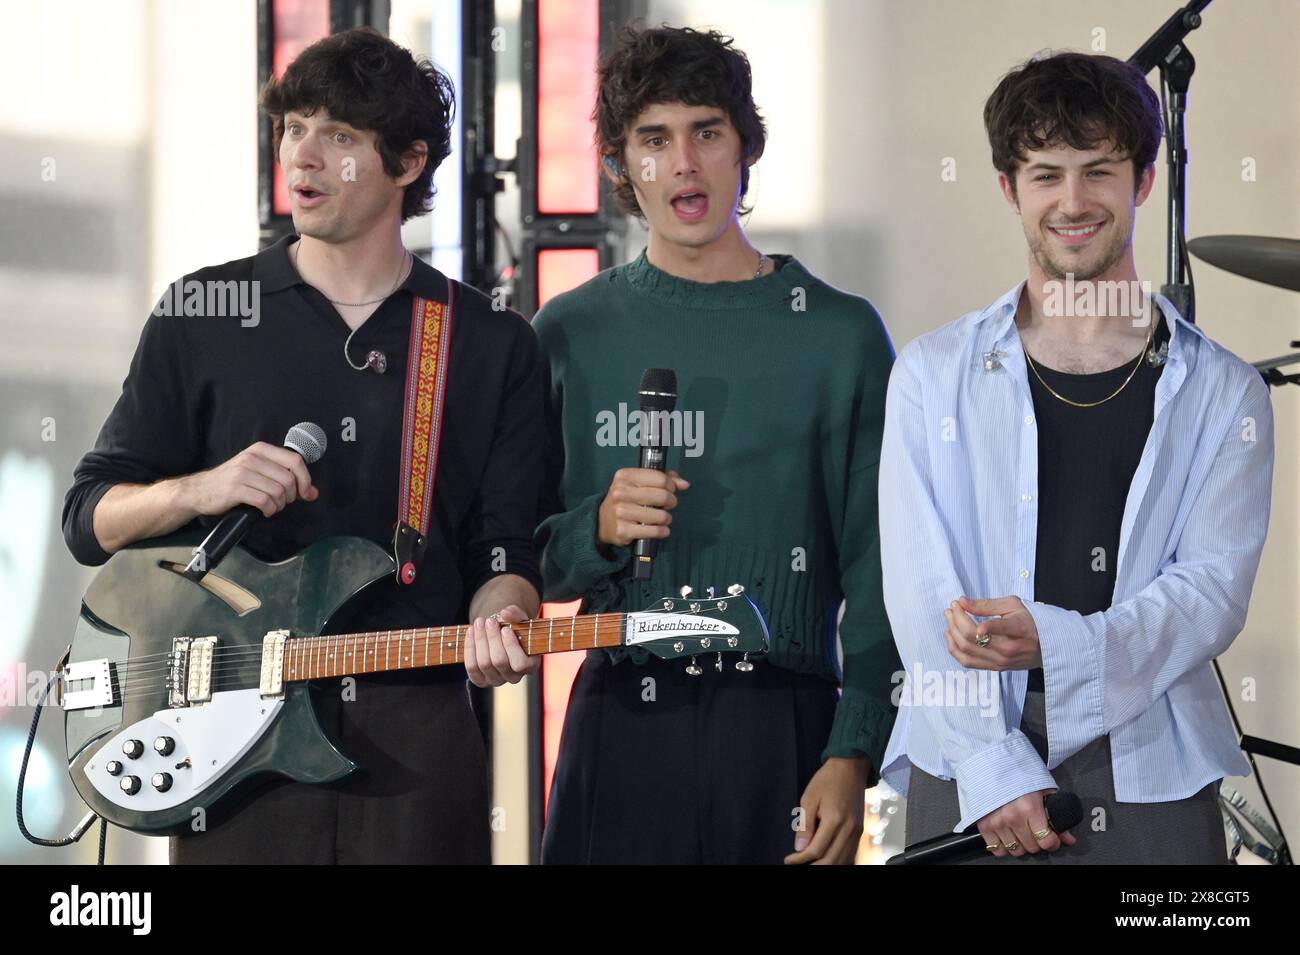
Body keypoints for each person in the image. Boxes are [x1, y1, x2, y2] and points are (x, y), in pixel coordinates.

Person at [62, 27, 543, 864]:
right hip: (234, 739)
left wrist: (504, 615)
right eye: (294, 127)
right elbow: (87, 519)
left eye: (340, 136)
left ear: (406, 164)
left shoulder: (490, 339)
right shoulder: (201, 312)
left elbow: (503, 543)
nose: (303, 155)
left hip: (416, 732)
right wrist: (202, 489)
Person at [878, 51, 1273, 863]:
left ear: (1144, 180)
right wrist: (992, 765)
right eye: (1045, 174)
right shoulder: (931, 373)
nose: (1073, 201)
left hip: (1152, 758)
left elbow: (1209, 595)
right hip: (963, 750)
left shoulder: (1224, 391)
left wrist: (1057, 647)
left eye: (1099, 170)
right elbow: (922, 595)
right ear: (1008, 189)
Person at [533, 25, 900, 864]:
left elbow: (883, 572)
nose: (685, 163)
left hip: (786, 719)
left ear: (746, 147)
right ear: (622, 167)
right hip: (619, 716)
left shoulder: (840, 336)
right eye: (653, 140)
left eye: (707, 130)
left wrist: (853, 749)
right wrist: (595, 531)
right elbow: (514, 559)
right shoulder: (567, 332)